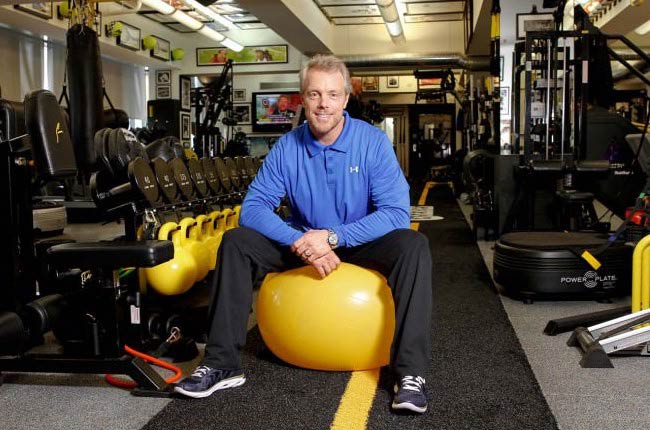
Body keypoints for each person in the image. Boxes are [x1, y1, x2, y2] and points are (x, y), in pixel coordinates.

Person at [174, 54, 433, 414]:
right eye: (314, 94)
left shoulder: (371, 143)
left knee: (414, 246)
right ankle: (221, 363)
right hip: (303, 242)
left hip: (358, 240)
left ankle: (409, 374)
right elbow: (253, 209)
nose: (323, 104)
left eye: (331, 94)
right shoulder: (287, 147)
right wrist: (301, 242)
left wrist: (332, 238)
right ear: (302, 99)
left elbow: (396, 214)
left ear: (345, 99)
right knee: (236, 242)